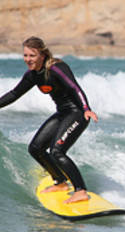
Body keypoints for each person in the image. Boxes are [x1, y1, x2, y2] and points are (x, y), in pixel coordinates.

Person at [0, 36, 98, 204]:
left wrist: (86, 109)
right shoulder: (32, 75)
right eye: (25, 56)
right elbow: (14, 94)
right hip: (62, 113)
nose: (28, 59)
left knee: (57, 151)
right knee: (36, 148)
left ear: (42, 55)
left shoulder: (56, 68)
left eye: (32, 55)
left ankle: (80, 190)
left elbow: (75, 87)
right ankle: (60, 181)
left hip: (77, 113)